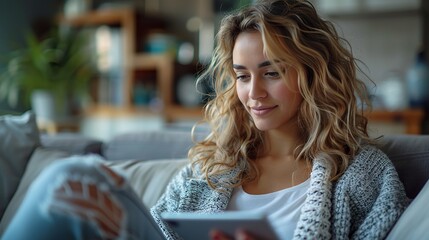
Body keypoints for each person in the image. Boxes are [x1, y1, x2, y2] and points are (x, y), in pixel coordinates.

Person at [2, 0, 409, 239]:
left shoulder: (363, 175)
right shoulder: (211, 166)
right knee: (71, 179)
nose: (254, 93)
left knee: (72, 176)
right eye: (242, 76)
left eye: (272, 72)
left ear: (314, 74)